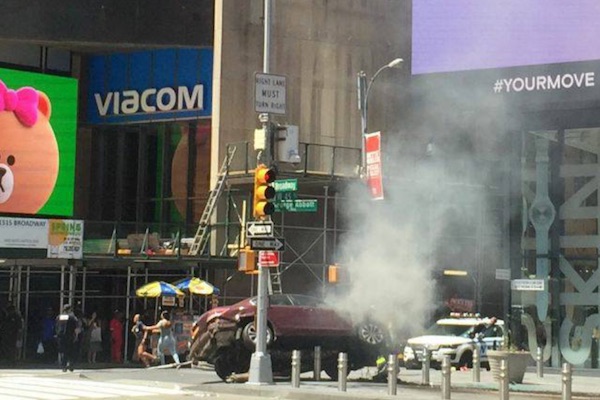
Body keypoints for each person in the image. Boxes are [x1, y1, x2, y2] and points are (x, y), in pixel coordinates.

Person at [55, 304, 78, 372]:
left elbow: (56, 327)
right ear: (69, 310)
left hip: (61, 337)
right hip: (69, 336)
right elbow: (76, 327)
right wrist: (76, 336)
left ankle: (63, 366)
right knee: (71, 351)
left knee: (63, 351)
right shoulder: (72, 317)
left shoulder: (59, 317)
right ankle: (70, 365)